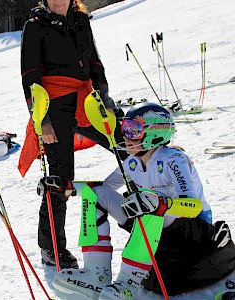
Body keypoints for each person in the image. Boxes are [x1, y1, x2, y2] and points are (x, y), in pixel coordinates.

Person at [52, 103, 235, 299]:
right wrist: (68, 187)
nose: (125, 136)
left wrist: (160, 203)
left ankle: (128, 284)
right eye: (125, 129)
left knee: (147, 205)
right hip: (155, 226)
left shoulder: (173, 159)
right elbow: (105, 188)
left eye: (133, 130)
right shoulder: (132, 162)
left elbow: (193, 206)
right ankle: (96, 275)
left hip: (193, 230)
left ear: (154, 133)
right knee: (97, 194)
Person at [19, 0, 127, 269]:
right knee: (60, 178)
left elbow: (95, 63)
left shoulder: (81, 20)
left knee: (128, 144)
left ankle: (153, 222)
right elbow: (29, 77)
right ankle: (52, 248)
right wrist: (41, 121)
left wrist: (106, 99)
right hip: (53, 107)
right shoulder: (35, 26)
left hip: (87, 100)